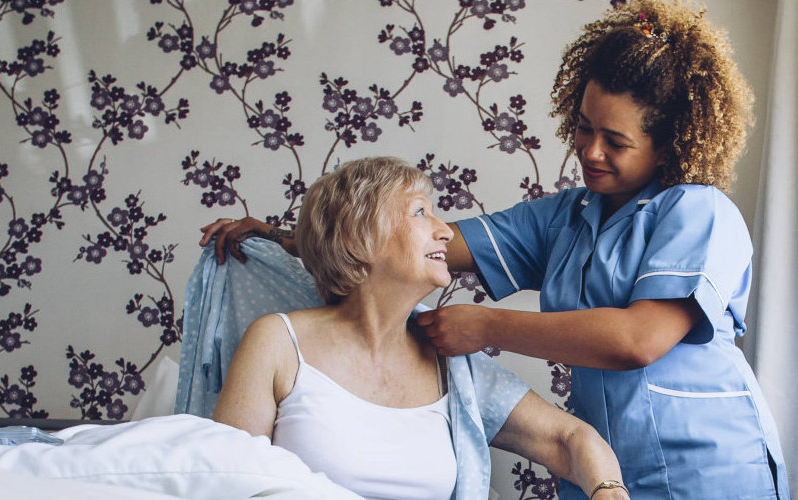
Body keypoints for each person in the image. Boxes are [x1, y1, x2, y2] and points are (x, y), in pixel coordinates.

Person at [201, 1, 788, 497]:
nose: (590, 151)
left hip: (710, 468)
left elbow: (638, 341)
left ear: (667, 147)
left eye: (616, 141)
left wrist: (485, 326)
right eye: (584, 128)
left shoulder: (698, 212)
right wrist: (289, 236)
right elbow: (409, 240)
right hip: (615, 472)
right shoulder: (565, 218)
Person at [211, 157, 630, 500]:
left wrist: (609, 491)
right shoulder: (277, 342)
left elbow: (568, 438)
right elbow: (224, 482)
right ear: (359, 238)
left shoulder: (453, 367)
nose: (446, 230)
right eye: (420, 212)